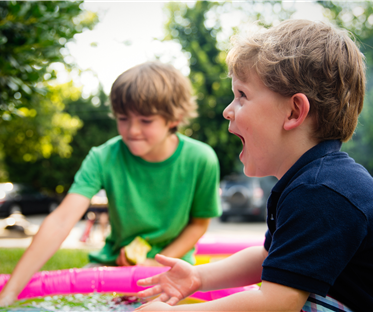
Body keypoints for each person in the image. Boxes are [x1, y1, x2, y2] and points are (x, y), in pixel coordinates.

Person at [134, 20, 373, 312]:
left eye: (242, 95)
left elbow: (276, 303)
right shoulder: (312, 181)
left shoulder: (320, 191)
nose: (227, 110)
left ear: (294, 111)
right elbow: (267, 256)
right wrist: (198, 276)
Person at [0, 61, 222, 306]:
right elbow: (61, 220)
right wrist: (10, 293)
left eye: (146, 121)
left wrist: (156, 262)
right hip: (112, 265)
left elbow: (199, 224)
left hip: (173, 268)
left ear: (174, 118)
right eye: (123, 118)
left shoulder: (201, 159)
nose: (132, 130)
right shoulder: (103, 156)